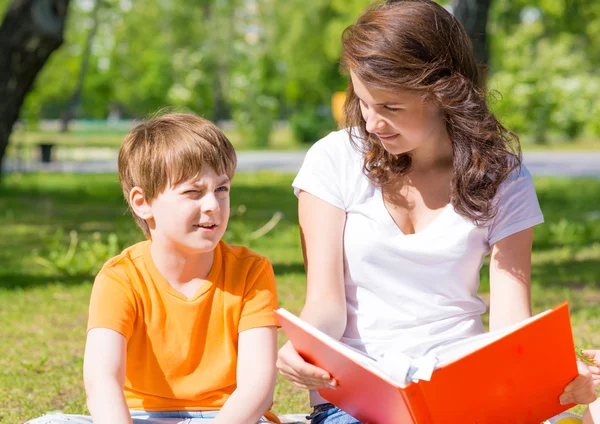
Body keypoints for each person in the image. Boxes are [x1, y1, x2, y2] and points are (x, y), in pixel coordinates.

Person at [275, 1, 596, 423]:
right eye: (363, 101)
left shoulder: (503, 178)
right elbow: (325, 305)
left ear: (445, 93)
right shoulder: (334, 159)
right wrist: (302, 348)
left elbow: (509, 325)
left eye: (390, 107)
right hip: (356, 396)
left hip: (462, 386)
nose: (372, 123)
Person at [27, 113, 280, 424]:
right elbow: (102, 382)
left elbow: (258, 387)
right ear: (142, 202)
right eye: (193, 192)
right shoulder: (120, 278)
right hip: (138, 418)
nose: (213, 205)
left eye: (222, 189)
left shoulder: (251, 271)